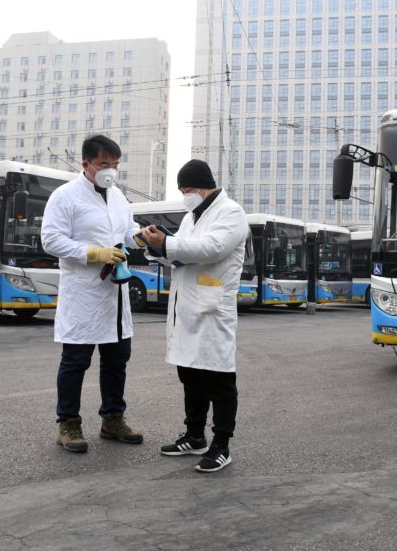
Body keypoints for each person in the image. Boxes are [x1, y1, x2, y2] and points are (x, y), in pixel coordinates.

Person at [140, 159, 249, 473]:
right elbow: (182, 256)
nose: (185, 195)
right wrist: (156, 246)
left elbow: (211, 249)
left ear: (203, 185)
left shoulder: (231, 213)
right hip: (186, 307)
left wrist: (169, 243)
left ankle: (221, 444)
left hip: (213, 309)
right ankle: (194, 435)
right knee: (190, 375)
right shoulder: (191, 216)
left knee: (218, 378)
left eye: (188, 189)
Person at [41, 134, 144, 454]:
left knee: (117, 360)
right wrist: (93, 253)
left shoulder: (118, 198)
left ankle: (113, 418)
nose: (109, 171)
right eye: (103, 165)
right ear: (86, 164)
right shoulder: (65, 196)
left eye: (114, 165)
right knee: (75, 361)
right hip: (84, 293)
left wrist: (142, 237)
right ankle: (68, 423)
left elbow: (128, 232)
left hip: (114, 295)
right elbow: (51, 240)